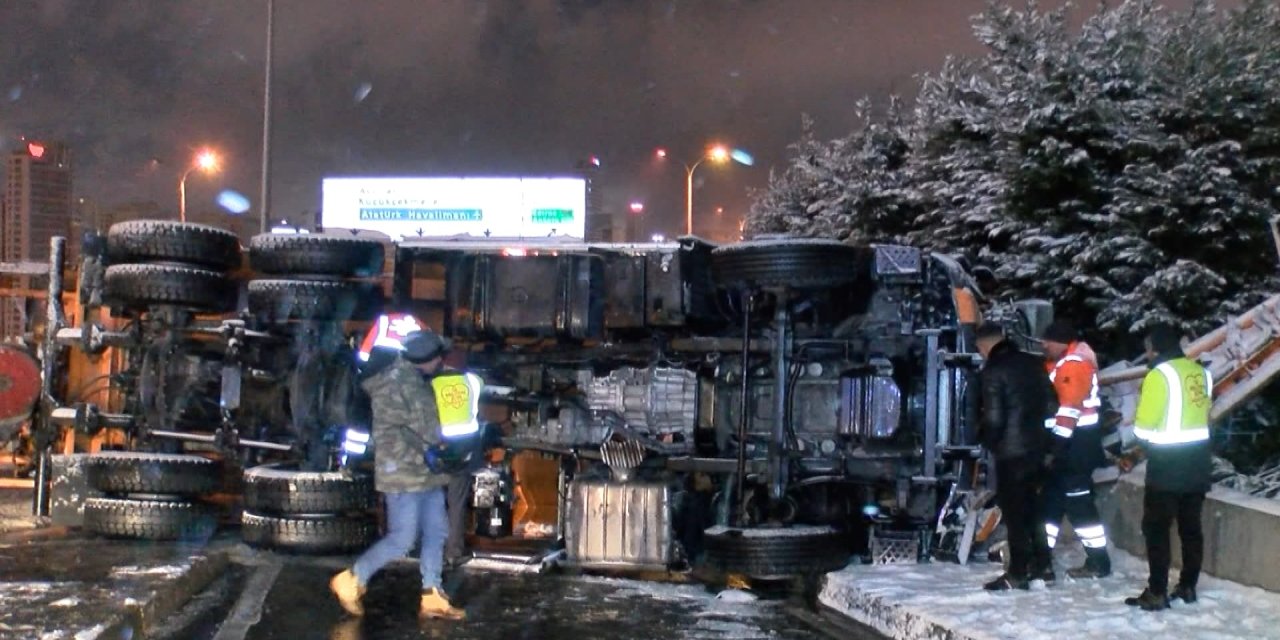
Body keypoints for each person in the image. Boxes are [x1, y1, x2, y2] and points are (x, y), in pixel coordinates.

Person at [329, 329, 466, 620]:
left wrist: (441, 450)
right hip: (402, 473)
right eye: (438, 358)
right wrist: (437, 449)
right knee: (402, 538)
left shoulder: (417, 380)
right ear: (425, 360)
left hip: (425, 471)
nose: (441, 362)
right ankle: (352, 579)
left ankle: (432, 594)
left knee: (436, 531)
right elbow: (407, 429)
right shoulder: (395, 384)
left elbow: (424, 425)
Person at [1122, 324, 1213, 611]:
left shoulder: (1159, 374)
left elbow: (1144, 428)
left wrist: (1141, 443)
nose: (1147, 353)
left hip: (1167, 466)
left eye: (1148, 347)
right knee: (1191, 528)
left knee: (1157, 529)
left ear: (1155, 348)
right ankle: (1187, 586)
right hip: (1198, 462)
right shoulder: (1201, 372)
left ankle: (1157, 591)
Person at [975, 323, 1056, 590]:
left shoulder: (993, 371)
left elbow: (995, 418)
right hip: (1037, 449)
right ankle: (1043, 566)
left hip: (1011, 453)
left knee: (1015, 515)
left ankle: (1018, 571)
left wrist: (987, 439)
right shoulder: (1033, 363)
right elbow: (1052, 402)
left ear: (985, 346)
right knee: (1035, 511)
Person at [1039, 320, 1112, 579]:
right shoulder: (1066, 362)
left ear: (1061, 342)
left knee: (1079, 504)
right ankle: (1040, 557)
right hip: (1074, 445)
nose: (1043, 345)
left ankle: (1099, 562)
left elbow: (1069, 409)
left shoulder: (1072, 365)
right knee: (1051, 502)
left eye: (1048, 341)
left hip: (1074, 446)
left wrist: (1055, 447)